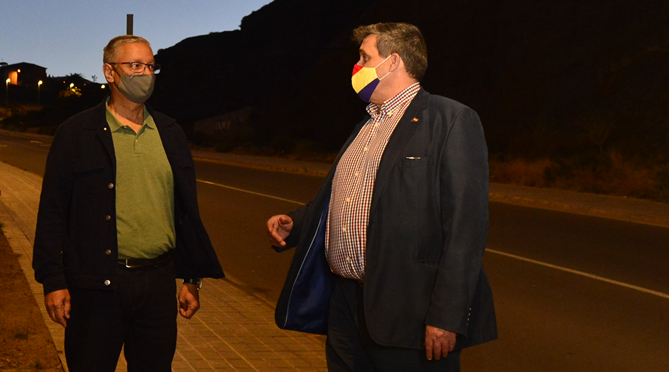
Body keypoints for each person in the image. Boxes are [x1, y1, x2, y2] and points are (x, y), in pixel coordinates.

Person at [267, 23, 496, 371]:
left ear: (392, 62)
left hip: (410, 313)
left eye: (364, 57)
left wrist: (447, 315)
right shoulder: (366, 125)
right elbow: (344, 198)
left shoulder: (450, 120)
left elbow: (466, 227)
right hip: (346, 305)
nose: (356, 66)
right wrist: (296, 224)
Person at [33, 35, 224, 371]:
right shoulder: (77, 133)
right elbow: (52, 212)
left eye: (150, 66)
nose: (145, 74)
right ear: (110, 72)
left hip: (157, 283)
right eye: (134, 65)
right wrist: (53, 280)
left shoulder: (170, 133)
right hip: (95, 285)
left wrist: (192, 278)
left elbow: (185, 212)